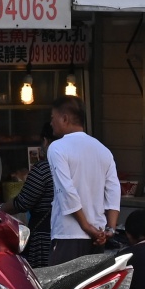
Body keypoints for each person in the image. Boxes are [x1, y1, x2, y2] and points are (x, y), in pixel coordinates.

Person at [46, 96, 121, 265]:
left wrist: (87, 227)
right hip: (98, 237)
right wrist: (110, 228)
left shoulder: (57, 148)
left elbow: (67, 191)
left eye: (53, 118)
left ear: (64, 118)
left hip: (68, 234)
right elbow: (114, 191)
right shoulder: (103, 150)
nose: (51, 123)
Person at [11, 123, 57, 269]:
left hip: (43, 236)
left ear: (45, 141)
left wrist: (0, 209)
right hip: (66, 234)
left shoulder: (43, 168)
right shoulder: (74, 166)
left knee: (42, 281)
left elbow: (23, 202)